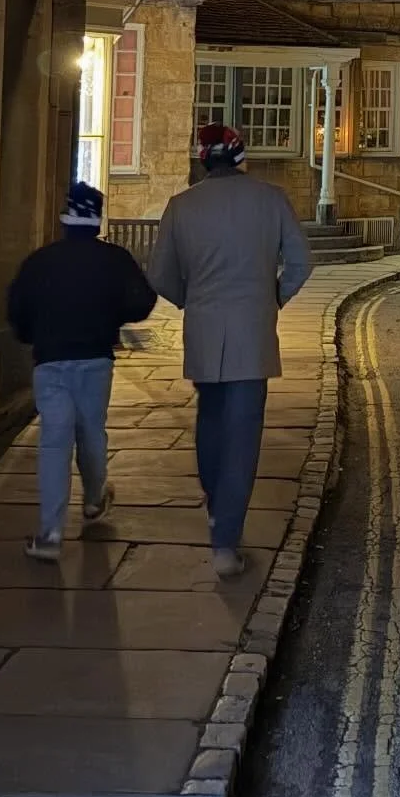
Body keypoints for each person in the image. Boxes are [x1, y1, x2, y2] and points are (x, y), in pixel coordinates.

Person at [148, 125, 312, 578]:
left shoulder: (181, 207)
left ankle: (218, 507)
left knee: (210, 423)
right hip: (252, 332)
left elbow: (159, 275)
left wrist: (191, 300)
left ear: (203, 161)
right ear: (241, 159)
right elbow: (301, 263)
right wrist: (273, 296)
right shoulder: (271, 199)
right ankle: (225, 540)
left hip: (203, 329)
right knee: (241, 435)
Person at [7, 181, 156, 561]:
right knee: (91, 431)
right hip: (94, 358)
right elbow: (142, 301)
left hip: (51, 361)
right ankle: (93, 499)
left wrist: (33, 334)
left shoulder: (40, 261)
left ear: (65, 219)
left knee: (55, 441)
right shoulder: (114, 259)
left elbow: (18, 312)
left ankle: (51, 533)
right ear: (96, 220)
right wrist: (111, 315)